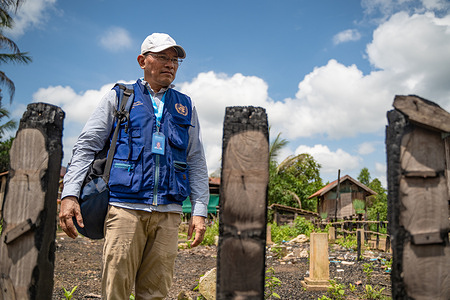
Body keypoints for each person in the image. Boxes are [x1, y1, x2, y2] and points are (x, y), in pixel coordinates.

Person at [59, 33, 210, 299]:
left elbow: (196, 159)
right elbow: (86, 146)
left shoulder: (186, 105)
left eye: (174, 60)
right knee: (115, 290)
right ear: (142, 60)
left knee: (156, 293)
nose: (170, 64)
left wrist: (199, 210)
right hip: (124, 209)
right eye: (162, 57)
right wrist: (69, 194)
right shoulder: (120, 96)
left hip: (168, 214)